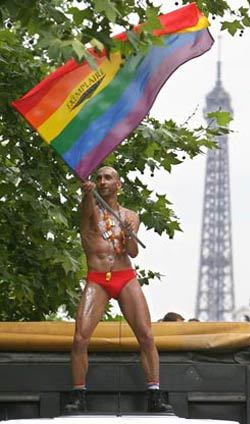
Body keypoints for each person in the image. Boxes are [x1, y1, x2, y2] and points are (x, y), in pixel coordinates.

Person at [65, 166, 174, 414]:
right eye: (99, 177)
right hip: (97, 278)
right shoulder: (91, 207)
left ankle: (155, 393)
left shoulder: (131, 216)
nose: (102, 181)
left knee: (146, 335)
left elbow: (133, 252)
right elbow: (86, 213)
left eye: (108, 177)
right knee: (80, 337)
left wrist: (129, 234)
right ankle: (79, 394)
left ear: (118, 184)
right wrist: (87, 195)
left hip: (124, 276)